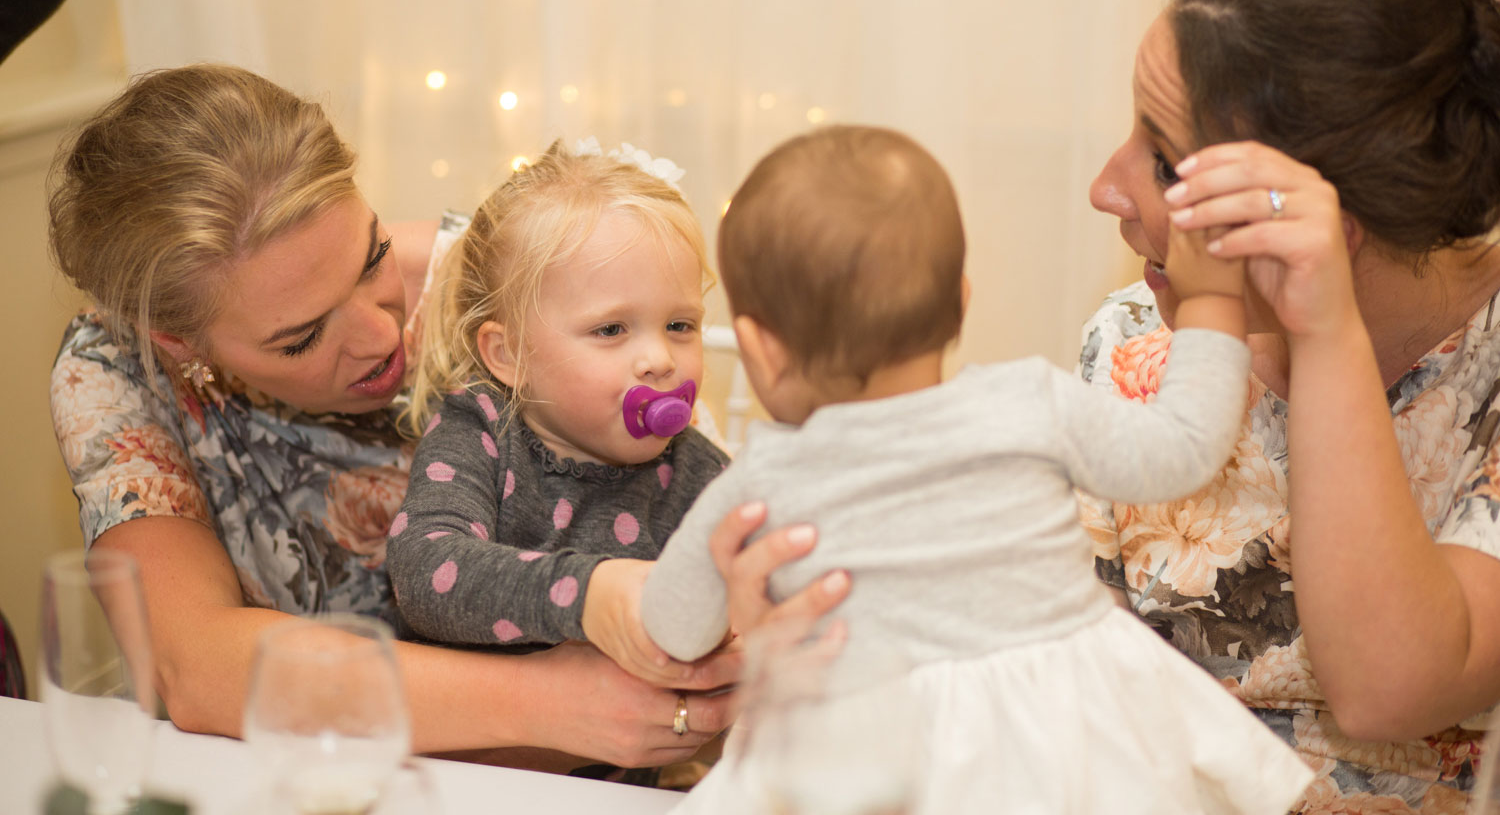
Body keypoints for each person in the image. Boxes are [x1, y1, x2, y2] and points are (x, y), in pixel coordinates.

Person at [46, 64, 739, 775]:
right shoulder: (117, 376)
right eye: (302, 337)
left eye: (371, 256)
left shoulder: (508, 281)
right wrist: (555, 705)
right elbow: (196, 669)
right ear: (180, 344)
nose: (381, 336)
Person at [635, 125, 1314, 814]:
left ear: (758, 348)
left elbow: (673, 628)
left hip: (872, 769)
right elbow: (1184, 448)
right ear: (961, 302)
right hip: (1061, 741)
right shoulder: (1026, 402)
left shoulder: (764, 480)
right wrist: (1209, 302)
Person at [1081, 0, 1500, 812]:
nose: (1106, 188)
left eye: (1162, 161)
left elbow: (1390, 685)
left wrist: (1326, 332)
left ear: (1324, 228)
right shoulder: (1132, 344)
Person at [387, 141, 729, 686]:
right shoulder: (480, 430)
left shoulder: (698, 469)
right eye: (611, 330)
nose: (661, 360)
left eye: (681, 326)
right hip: (469, 762)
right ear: (509, 355)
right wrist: (590, 593)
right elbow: (426, 574)